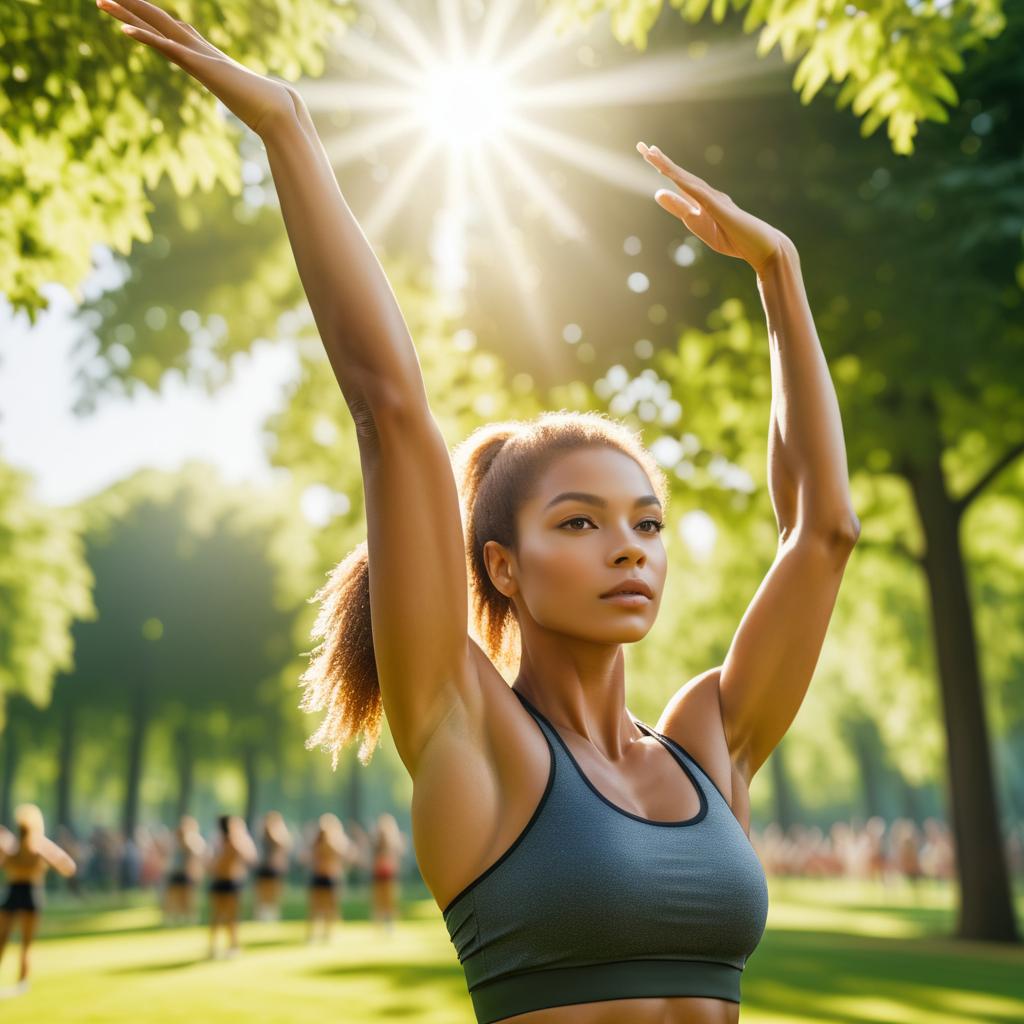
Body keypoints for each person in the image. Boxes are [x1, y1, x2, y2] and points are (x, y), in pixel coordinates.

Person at [98, 4, 860, 1020]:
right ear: (500, 566)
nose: (627, 549)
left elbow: (822, 530)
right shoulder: (468, 728)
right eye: (579, 523)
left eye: (645, 522)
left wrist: (780, 275)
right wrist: (289, 127)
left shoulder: (711, 744)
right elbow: (390, 408)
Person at [0, 804, 77, 997]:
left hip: (21, 892)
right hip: (26, 892)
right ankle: (22, 982)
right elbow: (68, 867)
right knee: (21, 943)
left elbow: (67, 866)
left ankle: (22, 982)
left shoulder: (23, 846)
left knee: (11, 941)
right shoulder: (25, 846)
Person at [206, 815, 257, 959]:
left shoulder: (222, 841)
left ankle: (224, 946)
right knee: (227, 917)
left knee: (224, 916)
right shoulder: (228, 841)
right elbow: (250, 857)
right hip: (228, 881)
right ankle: (229, 946)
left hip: (227, 881)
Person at [305, 813, 360, 944]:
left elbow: (350, 854)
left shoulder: (336, 842)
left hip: (331, 877)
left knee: (330, 908)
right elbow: (307, 858)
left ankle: (327, 934)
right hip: (319, 877)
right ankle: (313, 934)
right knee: (315, 908)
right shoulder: (317, 843)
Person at [162, 815, 207, 925]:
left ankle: (190, 916)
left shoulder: (194, 840)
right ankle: (172, 916)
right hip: (176, 871)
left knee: (188, 896)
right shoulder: (175, 840)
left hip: (188, 873)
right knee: (173, 895)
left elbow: (198, 856)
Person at [368, 813, 407, 934]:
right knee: (379, 900)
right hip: (379, 874)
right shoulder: (377, 843)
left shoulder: (392, 842)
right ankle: (379, 925)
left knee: (389, 901)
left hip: (389, 874)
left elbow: (398, 855)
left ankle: (389, 925)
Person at [253, 811, 292, 922]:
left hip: (275, 867)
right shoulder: (264, 833)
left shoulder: (279, 834)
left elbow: (284, 845)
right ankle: (262, 915)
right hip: (265, 867)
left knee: (275, 893)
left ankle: (272, 915)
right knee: (263, 893)